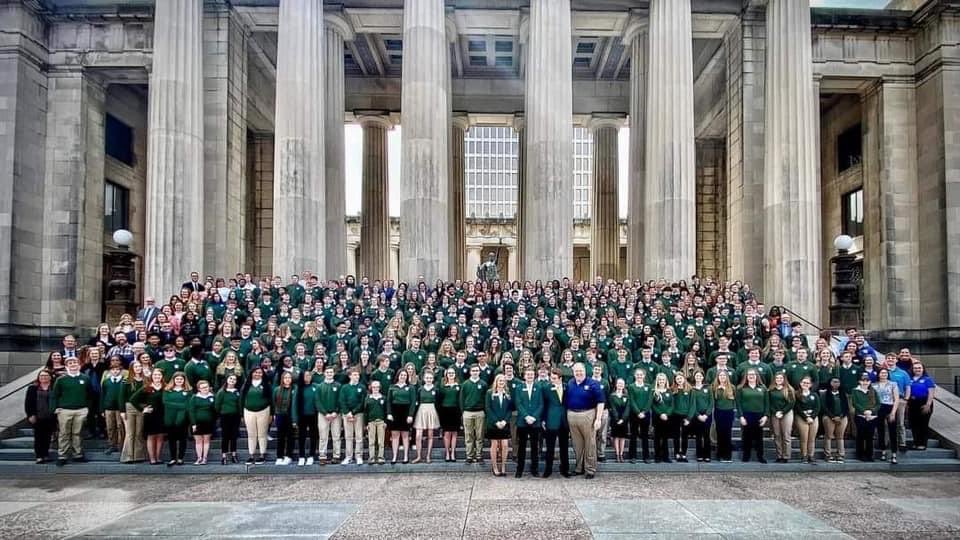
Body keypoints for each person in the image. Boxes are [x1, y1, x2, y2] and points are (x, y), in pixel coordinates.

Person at [50, 356, 93, 466]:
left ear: (79, 365)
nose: (73, 365)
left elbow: (90, 395)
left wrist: (87, 408)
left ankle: (78, 454)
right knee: (64, 433)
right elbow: (54, 395)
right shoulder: (61, 380)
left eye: (75, 362)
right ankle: (62, 456)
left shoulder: (86, 378)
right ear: (66, 366)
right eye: (70, 363)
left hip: (81, 410)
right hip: (65, 410)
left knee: (77, 433)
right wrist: (54, 408)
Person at [566, 362, 606, 478]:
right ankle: (579, 468)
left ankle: (590, 469)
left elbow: (600, 402)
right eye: (576, 371)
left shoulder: (593, 383)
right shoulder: (570, 383)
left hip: (588, 415)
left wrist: (598, 419)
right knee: (577, 445)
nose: (578, 373)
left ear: (585, 371)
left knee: (590, 444)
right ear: (573, 372)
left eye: (581, 371)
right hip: (572, 415)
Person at [130, 368, 166, 465]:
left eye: (159, 375)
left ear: (162, 376)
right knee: (151, 436)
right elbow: (133, 399)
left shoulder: (166, 387)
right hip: (151, 415)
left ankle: (158, 457)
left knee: (160, 436)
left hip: (162, 415)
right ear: (151, 376)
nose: (157, 377)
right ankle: (152, 459)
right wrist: (143, 409)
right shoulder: (147, 387)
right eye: (155, 375)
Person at [514, 366, 543, 476]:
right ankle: (519, 470)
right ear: (524, 376)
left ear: (534, 375)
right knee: (521, 446)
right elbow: (518, 403)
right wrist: (526, 416)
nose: (530, 376)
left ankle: (534, 469)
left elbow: (541, 404)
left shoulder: (539, 387)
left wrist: (534, 417)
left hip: (535, 422)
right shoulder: (519, 387)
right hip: (523, 421)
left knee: (535, 446)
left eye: (531, 374)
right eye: (528, 374)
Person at [737, 368, 769, 463]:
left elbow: (767, 403)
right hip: (747, 415)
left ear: (757, 376)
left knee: (759, 437)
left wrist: (765, 416)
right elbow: (738, 404)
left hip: (759, 415)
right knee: (746, 436)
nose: (751, 376)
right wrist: (741, 416)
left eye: (753, 374)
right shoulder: (741, 388)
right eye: (749, 374)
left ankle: (760, 456)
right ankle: (746, 456)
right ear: (746, 376)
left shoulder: (763, 388)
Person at [542, 368, 570, 478]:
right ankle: (548, 470)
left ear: (560, 378)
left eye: (554, 378)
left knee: (564, 447)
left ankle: (565, 469)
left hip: (564, 421)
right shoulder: (546, 388)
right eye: (551, 378)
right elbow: (543, 405)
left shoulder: (566, 387)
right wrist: (543, 419)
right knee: (550, 447)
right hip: (551, 420)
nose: (552, 380)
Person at [242, 367, 272, 465]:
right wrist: (241, 414)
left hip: (264, 411)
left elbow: (271, 400)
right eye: (255, 372)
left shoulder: (266, 385)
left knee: (262, 434)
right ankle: (251, 455)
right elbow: (241, 399)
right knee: (251, 434)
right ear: (251, 373)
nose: (257, 374)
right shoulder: (246, 384)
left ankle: (262, 455)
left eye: (260, 372)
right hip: (248, 411)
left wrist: (271, 414)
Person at [24, 370, 56, 464]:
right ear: (38, 377)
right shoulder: (33, 388)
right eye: (41, 375)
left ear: (50, 377)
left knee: (48, 437)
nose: (43, 377)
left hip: (50, 417)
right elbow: (28, 403)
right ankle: (39, 456)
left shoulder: (54, 387)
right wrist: (30, 415)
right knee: (38, 437)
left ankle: (45, 455)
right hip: (37, 416)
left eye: (46, 375)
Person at [119, 360, 147, 463]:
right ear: (132, 369)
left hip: (141, 407)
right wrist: (122, 411)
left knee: (139, 432)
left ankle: (138, 456)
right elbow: (121, 396)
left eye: (139, 366)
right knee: (130, 433)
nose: (138, 368)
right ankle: (128, 456)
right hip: (129, 407)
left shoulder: (145, 380)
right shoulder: (126, 381)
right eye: (136, 367)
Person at [905, 361, 936, 451]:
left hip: (924, 402)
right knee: (913, 424)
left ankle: (922, 444)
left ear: (923, 369)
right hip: (912, 403)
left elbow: (931, 393)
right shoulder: (910, 379)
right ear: (912, 369)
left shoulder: (927, 379)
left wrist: (928, 404)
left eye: (919, 368)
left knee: (923, 424)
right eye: (915, 368)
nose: (917, 369)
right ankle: (916, 443)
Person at [485, 374, 513, 476]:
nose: (501, 383)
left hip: (504, 423)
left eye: (503, 381)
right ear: (496, 382)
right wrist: (496, 422)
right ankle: (495, 467)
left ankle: (503, 466)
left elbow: (510, 409)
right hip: (493, 423)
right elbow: (488, 408)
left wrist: (505, 421)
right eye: (500, 381)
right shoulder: (490, 393)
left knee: (505, 445)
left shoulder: (508, 394)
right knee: (495, 445)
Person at [162, 372, 192, 466]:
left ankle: (180, 458)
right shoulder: (167, 390)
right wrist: (181, 406)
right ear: (173, 380)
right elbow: (165, 402)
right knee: (172, 439)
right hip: (170, 417)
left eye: (181, 379)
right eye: (177, 379)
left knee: (183, 439)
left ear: (184, 380)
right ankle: (172, 458)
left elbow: (188, 404)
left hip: (183, 418)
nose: (179, 381)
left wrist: (176, 406)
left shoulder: (188, 390)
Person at [386, 369, 415, 464]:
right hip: (395, 412)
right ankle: (394, 456)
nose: (403, 377)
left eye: (405, 375)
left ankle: (406, 457)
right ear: (398, 376)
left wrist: (410, 415)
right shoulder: (392, 387)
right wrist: (389, 413)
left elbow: (413, 402)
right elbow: (388, 401)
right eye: (401, 375)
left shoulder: (410, 387)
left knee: (405, 435)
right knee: (395, 435)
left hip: (406, 412)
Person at [315, 366, 342, 465]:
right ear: (324, 374)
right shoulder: (319, 386)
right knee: (323, 436)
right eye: (327, 372)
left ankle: (336, 456)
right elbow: (317, 401)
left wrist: (336, 412)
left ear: (333, 374)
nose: (329, 374)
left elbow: (340, 400)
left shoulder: (338, 385)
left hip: (336, 415)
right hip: (323, 415)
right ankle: (322, 456)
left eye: (331, 372)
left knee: (336, 436)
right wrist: (325, 413)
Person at [460, 365, 487, 464]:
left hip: (480, 412)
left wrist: (485, 411)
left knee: (480, 435)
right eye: (473, 370)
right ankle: (469, 456)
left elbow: (486, 399)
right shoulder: (465, 384)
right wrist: (463, 411)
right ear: (470, 372)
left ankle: (479, 455)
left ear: (479, 372)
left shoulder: (483, 384)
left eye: (477, 370)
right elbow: (461, 399)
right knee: (468, 435)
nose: (475, 372)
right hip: (468, 412)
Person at [100, 358, 127, 455]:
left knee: (120, 427)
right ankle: (112, 445)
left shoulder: (124, 381)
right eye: (113, 370)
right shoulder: (106, 382)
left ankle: (121, 445)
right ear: (110, 371)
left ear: (120, 371)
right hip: (108, 408)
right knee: (110, 427)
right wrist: (102, 409)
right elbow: (102, 395)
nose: (115, 371)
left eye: (117, 370)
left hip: (120, 408)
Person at [340, 368, 367, 465]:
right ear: (350, 376)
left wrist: (354, 412)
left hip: (358, 414)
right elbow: (342, 401)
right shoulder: (344, 387)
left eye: (358, 375)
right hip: (347, 415)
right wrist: (347, 413)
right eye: (355, 375)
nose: (357, 376)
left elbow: (362, 402)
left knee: (359, 436)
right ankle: (348, 457)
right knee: (348, 436)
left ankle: (358, 456)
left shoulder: (362, 387)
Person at [873, 367, 900, 464]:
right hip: (879, 408)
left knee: (892, 431)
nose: (883, 374)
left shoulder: (893, 384)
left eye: (885, 373)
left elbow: (896, 399)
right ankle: (883, 451)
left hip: (890, 407)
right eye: (882, 373)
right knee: (880, 431)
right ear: (878, 374)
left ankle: (894, 453)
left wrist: (893, 412)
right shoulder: (874, 385)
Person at [412, 370, 439, 464]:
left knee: (430, 435)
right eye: (427, 378)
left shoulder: (435, 389)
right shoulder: (420, 389)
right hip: (422, 410)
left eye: (430, 378)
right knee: (418, 435)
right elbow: (417, 400)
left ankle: (428, 456)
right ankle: (418, 456)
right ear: (424, 378)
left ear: (433, 379)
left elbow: (438, 402)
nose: (428, 379)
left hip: (431, 410)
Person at [850, 373, 879, 461]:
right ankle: (860, 454)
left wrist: (871, 411)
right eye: (863, 381)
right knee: (861, 435)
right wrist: (864, 411)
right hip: (860, 416)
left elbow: (878, 404)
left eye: (867, 381)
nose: (865, 382)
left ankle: (869, 455)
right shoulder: (855, 391)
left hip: (872, 416)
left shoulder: (873, 391)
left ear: (870, 382)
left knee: (870, 436)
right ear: (860, 381)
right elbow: (855, 403)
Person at [214, 374, 242, 465]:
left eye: (234, 379)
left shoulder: (237, 392)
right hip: (225, 416)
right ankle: (224, 456)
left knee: (234, 436)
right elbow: (217, 405)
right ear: (227, 379)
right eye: (230, 378)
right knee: (225, 436)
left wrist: (240, 414)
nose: (232, 380)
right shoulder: (221, 392)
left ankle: (234, 455)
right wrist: (222, 412)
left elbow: (239, 404)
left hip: (235, 416)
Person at [768, 372, 795, 463]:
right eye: (777, 378)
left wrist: (782, 412)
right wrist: (775, 412)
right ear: (774, 379)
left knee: (786, 435)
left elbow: (791, 403)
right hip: (775, 414)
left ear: (784, 379)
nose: (779, 380)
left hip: (786, 413)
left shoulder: (789, 389)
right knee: (777, 435)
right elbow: (769, 403)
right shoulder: (771, 390)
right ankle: (779, 455)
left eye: (781, 378)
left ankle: (786, 456)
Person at [188, 379, 216, 465]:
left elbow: (215, 410)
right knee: (198, 441)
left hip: (208, 423)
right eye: (203, 387)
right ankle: (199, 458)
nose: (205, 389)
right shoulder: (194, 398)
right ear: (199, 389)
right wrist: (193, 424)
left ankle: (204, 458)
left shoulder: (212, 397)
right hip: (197, 423)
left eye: (206, 387)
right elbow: (191, 411)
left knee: (206, 441)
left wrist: (213, 420)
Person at [627, 368, 653, 464]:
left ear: (644, 376)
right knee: (633, 435)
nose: (639, 376)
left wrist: (644, 412)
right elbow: (632, 400)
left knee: (645, 436)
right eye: (637, 374)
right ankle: (632, 456)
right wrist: (638, 412)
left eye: (641, 374)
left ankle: (646, 457)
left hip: (645, 414)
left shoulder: (648, 387)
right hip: (634, 414)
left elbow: (649, 400)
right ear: (635, 376)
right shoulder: (631, 386)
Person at [822, 377, 849, 463]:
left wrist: (841, 416)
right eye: (834, 382)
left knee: (840, 436)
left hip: (842, 417)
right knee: (828, 435)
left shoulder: (843, 394)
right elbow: (824, 407)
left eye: (837, 382)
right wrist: (832, 417)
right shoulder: (825, 394)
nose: (836, 383)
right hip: (829, 417)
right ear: (830, 383)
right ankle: (828, 455)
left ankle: (840, 454)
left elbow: (846, 407)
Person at [794, 376, 820, 465]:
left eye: (807, 383)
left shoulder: (814, 395)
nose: (805, 384)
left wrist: (812, 417)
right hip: (802, 417)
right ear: (800, 383)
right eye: (804, 382)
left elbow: (817, 407)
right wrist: (806, 417)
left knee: (812, 438)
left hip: (813, 418)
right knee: (804, 438)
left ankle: (811, 456)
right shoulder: (797, 394)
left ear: (811, 385)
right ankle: (804, 456)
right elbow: (797, 408)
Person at [438, 367, 462, 462]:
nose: (451, 374)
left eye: (452, 373)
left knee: (454, 433)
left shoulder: (459, 386)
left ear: (455, 374)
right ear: (446, 375)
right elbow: (439, 400)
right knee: (447, 433)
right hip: (445, 411)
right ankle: (447, 453)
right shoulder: (443, 387)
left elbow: (460, 399)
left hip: (455, 411)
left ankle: (453, 453)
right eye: (449, 373)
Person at [296, 370, 319, 466]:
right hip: (302, 415)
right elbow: (295, 404)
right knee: (302, 436)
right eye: (306, 375)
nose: (308, 377)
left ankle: (311, 456)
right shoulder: (298, 388)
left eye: (309, 375)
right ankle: (301, 456)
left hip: (313, 415)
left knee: (313, 435)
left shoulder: (315, 386)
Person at [690, 370, 713, 462]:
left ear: (703, 377)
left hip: (707, 415)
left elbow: (711, 403)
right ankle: (699, 455)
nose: (698, 377)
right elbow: (692, 404)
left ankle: (707, 455)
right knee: (698, 436)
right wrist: (698, 415)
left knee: (707, 436)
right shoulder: (692, 389)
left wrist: (706, 415)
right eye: (697, 376)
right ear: (694, 377)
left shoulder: (708, 388)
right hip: (696, 415)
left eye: (700, 376)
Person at [651, 372, 674, 463]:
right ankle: (657, 456)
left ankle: (666, 456)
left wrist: (667, 414)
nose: (661, 381)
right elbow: (653, 405)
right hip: (657, 417)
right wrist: (660, 414)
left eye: (663, 380)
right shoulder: (654, 392)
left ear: (666, 381)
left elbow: (672, 405)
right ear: (657, 381)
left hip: (667, 418)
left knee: (665, 438)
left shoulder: (669, 391)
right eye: (660, 380)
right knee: (657, 437)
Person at [364, 380, 387, 465]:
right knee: (371, 441)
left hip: (381, 421)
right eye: (374, 387)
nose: (375, 389)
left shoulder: (383, 398)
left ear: (379, 388)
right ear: (371, 388)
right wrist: (366, 423)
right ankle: (372, 457)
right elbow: (366, 412)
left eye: (377, 387)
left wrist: (385, 422)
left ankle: (381, 457)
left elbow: (386, 411)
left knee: (381, 441)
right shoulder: (368, 398)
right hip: (371, 422)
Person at [608, 378, 630, 463]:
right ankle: (617, 454)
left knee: (622, 437)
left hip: (624, 419)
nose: (620, 385)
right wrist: (617, 419)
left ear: (624, 385)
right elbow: (613, 408)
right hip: (615, 419)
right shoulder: (612, 396)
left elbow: (627, 408)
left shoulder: (626, 396)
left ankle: (621, 454)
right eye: (619, 383)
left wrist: (623, 419)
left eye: (622, 384)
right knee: (616, 437)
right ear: (616, 385)